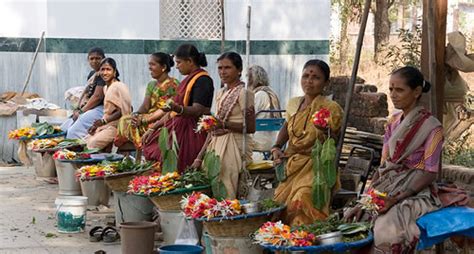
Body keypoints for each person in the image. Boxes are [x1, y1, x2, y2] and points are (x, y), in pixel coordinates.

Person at [344, 66, 445, 253]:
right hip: (387, 184)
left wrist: (397, 198)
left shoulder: (432, 127)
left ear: (416, 92)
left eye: (399, 90)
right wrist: (367, 198)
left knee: (385, 230)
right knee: (354, 220)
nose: (393, 94)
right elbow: (385, 164)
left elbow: (429, 172)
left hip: (414, 189)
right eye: (390, 89)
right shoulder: (393, 121)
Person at [272, 59, 343, 226]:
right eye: (305, 76)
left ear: (326, 82)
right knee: (278, 206)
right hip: (293, 164)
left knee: (302, 198)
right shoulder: (294, 103)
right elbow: (287, 126)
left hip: (316, 165)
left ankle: (308, 241)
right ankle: (285, 245)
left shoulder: (330, 107)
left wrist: (324, 129)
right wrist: (276, 147)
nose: (309, 81)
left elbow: (334, 141)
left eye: (316, 77)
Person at [193, 52, 256, 199]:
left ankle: (228, 214)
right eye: (220, 68)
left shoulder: (244, 93)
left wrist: (223, 124)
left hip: (235, 144)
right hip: (217, 143)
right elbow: (213, 128)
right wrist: (199, 156)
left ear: (239, 70)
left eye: (227, 67)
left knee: (226, 182)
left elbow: (251, 127)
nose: (223, 72)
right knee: (212, 178)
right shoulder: (221, 92)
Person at [142, 44, 214, 172]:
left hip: (193, 131)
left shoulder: (203, 80)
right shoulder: (188, 79)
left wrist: (177, 108)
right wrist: (153, 127)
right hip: (178, 125)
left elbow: (198, 110)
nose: (176, 66)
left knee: (179, 168)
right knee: (153, 147)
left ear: (190, 61)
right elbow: (172, 112)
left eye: (179, 62)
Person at [117, 53, 179, 148]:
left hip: (163, 119)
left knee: (138, 124)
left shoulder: (172, 84)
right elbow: (145, 106)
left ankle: (143, 146)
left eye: (152, 64)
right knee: (124, 119)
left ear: (163, 67)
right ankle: (135, 149)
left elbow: (165, 109)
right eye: (149, 64)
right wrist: (136, 114)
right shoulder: (152, 84)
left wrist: (145, 120)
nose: (149, 68)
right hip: (149, 117)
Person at [86, 58, 132, 149]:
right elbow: (109, 112)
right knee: (83, 142)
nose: (105, 73)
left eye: (108, 69)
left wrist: (103, 121)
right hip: (107, 126)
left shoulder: (119, 86)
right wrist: (96, 126)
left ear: (114, 72)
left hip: (118, 127)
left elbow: (124, 110)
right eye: (102, 69)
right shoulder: (105, 88)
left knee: (92, 144)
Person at [61, 47, 106, 139]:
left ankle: (74, 152)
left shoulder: (103, 74)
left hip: (102, 109)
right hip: (91, 108)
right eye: (92, 58)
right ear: (88, 60)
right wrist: (77, 108)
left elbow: (97, 97)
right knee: (64, 128)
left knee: (73, 132)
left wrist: (81, 111)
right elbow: (86, 92)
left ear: (103, 59)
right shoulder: (92, 74)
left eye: (98, 58)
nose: (94, 61)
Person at [248, 65, 282, 159]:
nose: (247, 80)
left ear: (255, 79)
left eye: (249, 77)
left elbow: (247, 118)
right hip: (274, 138)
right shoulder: (271, 92)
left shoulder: (259, 95)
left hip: (261, 140)